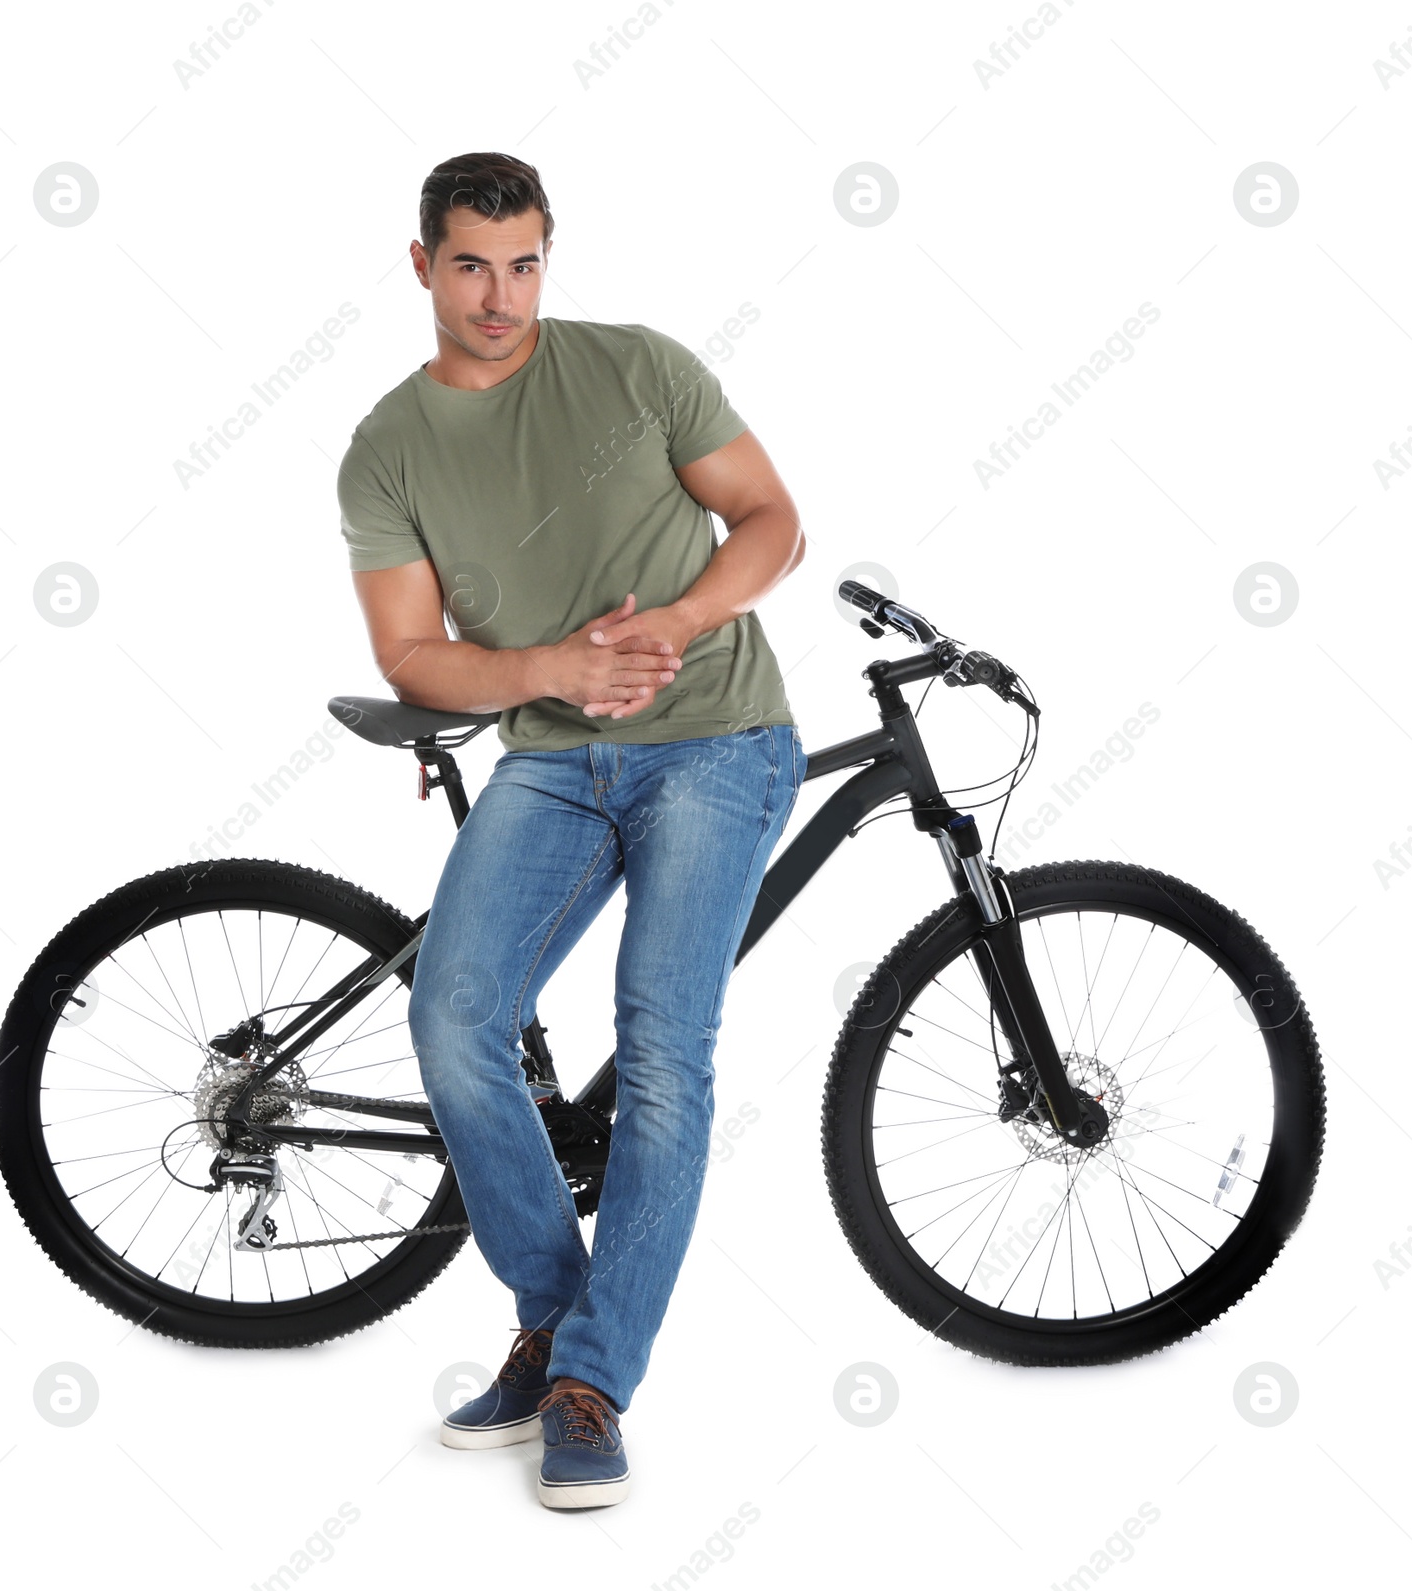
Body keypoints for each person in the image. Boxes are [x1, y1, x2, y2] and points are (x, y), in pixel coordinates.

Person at [336, 151, 807, 1508]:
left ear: (550, 256)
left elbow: (771, 519)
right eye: (472, 264)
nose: (500, 294)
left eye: (525, 262)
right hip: (552, 758)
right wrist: (551, 671)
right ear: (422, 263)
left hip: (716, 743)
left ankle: (592, 1380)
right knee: (451, 1016)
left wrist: (677, 619)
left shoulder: (637, 368)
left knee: (664, 1050)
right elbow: (414, 656)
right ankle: (552, 1322)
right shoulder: (387, 447)